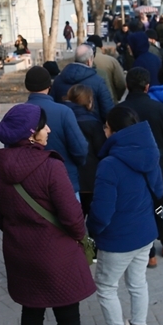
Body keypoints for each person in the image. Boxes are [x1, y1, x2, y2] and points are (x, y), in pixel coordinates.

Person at [0, 104, 96, 325]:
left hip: (20, 253)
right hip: (56, 254)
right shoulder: (50, 165)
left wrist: (19, 231)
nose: (49, 130)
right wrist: (78, 237)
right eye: (44, 127)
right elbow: (73, 216)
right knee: (67, 316)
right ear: (31, 134)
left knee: (31, 311)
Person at [87, 107, 163, 325]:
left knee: (107, 286)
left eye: (107, 127)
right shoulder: (148, 152)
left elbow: (102, 212)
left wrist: (92, 233)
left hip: (118, 239)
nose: (104, 130)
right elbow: (159, 189)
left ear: (116, 132)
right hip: (144, 233)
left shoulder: (110, 164)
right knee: (137, 282)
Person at [119, 68, 163, 267]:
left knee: (141, 206)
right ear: (147, 87)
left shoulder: (119, 111)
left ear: (127, 85)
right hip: (158, 162)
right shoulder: (160, 109)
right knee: (162, 204)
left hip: (130, 163)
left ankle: (150, 253)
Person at [25, 65, 89, 194]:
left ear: (27, 87)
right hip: (65, 182)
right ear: (49, 86)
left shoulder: (19, 113)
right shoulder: (64, 112)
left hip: (29, 184)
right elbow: (80, 149)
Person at [65, 84, 107, 215]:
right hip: (91, 178)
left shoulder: (64, 118)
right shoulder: (93, 123)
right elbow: (101, 150)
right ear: (89, 100)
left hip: (69, 176)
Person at [50, 44, 115, 120]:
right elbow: (107, 110)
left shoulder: (59, 79)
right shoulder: (98, 81)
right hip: (92, 126)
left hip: (65, 125)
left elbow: (53, 105)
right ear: (89, 61)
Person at [86, 35, 127, 104]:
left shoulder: (81, 60)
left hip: (87, 102)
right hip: (110, 100)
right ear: (101, 47)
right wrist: (117, 96)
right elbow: (121, 83)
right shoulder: (112, 61)